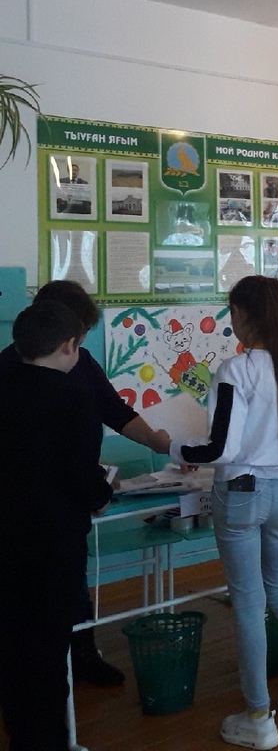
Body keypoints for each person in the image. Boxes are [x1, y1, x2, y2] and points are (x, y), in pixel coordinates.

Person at [171, 276, 278, 749]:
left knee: (247, 600)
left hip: (241, 492)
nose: (232, 320)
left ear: (243, 314)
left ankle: (259, 715)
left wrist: (174, 447)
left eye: (233, 313)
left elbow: (220, 448)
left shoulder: (236, 370)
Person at [0, 279, 171, 687]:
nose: (80, 346)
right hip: (39, 514)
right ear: (63, 337)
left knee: (62, 595)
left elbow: (114, 410)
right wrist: (94, 487)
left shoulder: (80, 365)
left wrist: (157, 442)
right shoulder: (12, 371)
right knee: (37, 619)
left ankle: (80, 656)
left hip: (58, 510)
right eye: (79, 337)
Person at [0, 302, 114, 751]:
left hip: (7, 540)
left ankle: (21, 736)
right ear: (69, 346)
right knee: (48, 654)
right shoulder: (73, 398)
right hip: (53, 543)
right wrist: (102, 493)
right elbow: (81, 473)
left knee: (13, 647)